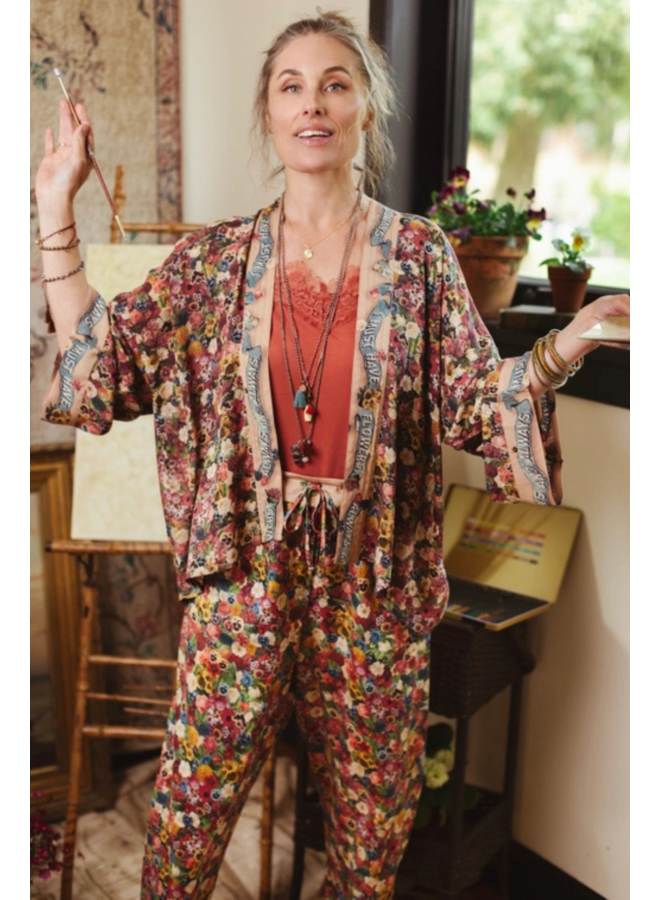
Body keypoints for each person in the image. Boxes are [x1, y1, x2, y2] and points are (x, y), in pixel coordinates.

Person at [35, 11, 630, 900]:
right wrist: (56, 208)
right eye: (292, 86)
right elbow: (103, 367)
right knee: (186, 831)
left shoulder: (421, 258)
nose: (312, 103)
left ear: (366, 111)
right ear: (270, 116)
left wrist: (565, 345)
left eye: (335, 84)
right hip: (244, 582)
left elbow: (477, 398)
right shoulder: (213, 263)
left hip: (376, 590)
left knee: (371, 841)